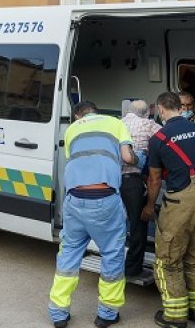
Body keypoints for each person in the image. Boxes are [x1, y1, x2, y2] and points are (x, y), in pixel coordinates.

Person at [48, 101, 137, 328]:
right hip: (104, 199)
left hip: (75, 201)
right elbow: (127, 158)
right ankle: (106, 314)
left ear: (79, 115)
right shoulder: (115, 123)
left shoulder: (71, 130)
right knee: (112, 254)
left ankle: (58, 313)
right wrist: (138, 159)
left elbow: (77, 162)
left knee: (68, 254)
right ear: (97, 111)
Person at [143, 91, 195, 328]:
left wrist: (148, 206)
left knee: (169, 261)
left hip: (180, 203)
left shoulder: (159, 139)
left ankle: (174, 317)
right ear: (179, 107)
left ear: (162, 110)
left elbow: (155, 180)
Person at [121, 98, 161, 282]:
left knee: (118, 224)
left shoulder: (118, 123)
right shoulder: (148, 124)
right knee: (138, 224)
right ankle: (133, 268)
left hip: (113, 180)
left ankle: (115, 263)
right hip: (133, 181)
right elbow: (165, 139)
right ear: (147, 112)